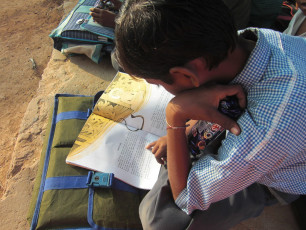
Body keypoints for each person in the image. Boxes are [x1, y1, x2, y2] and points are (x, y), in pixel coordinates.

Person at [114, 0, 306, 229]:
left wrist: (175, 118)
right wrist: (186, 133)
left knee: (163, 222)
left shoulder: (267, 127)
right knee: (118, 60)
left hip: (272, 177)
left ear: (187, 74)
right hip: (255, 134)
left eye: (156, 84)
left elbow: (185, 197)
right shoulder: (247, 40)